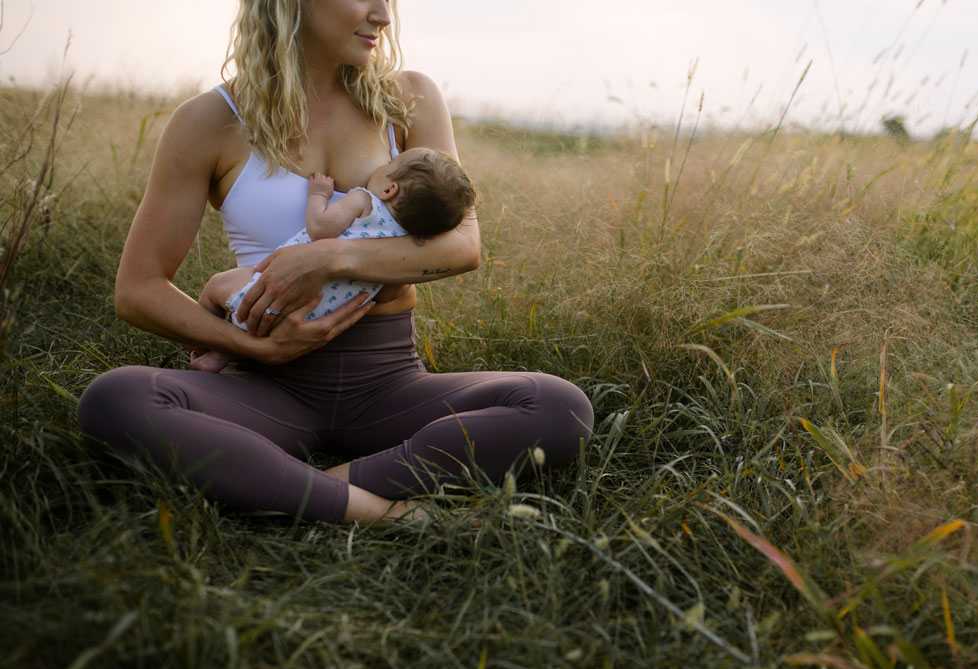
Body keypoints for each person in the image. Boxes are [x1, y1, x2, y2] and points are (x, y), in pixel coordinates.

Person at [76, 0, 594, 524]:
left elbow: (462, 246)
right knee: (114, 399)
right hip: (264, 384)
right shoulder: (209, 120)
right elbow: (138, 289)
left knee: (558, 405)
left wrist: (329, 257)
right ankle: (388, 513)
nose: (383, 16)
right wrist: (251, 345)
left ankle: (299, 488)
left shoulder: (408, 99)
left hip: (388, 383)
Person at [192, 146, 475, 373]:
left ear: (390, 189)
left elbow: (320, 228)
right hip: (317, 322)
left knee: (219, 285)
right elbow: (389, 294)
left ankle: (207, 345)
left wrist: (318, 195)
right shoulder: (405, 245)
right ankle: (218, 357)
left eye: (388, 166)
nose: (380, 168)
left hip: (267, 295)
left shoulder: (365, 201)